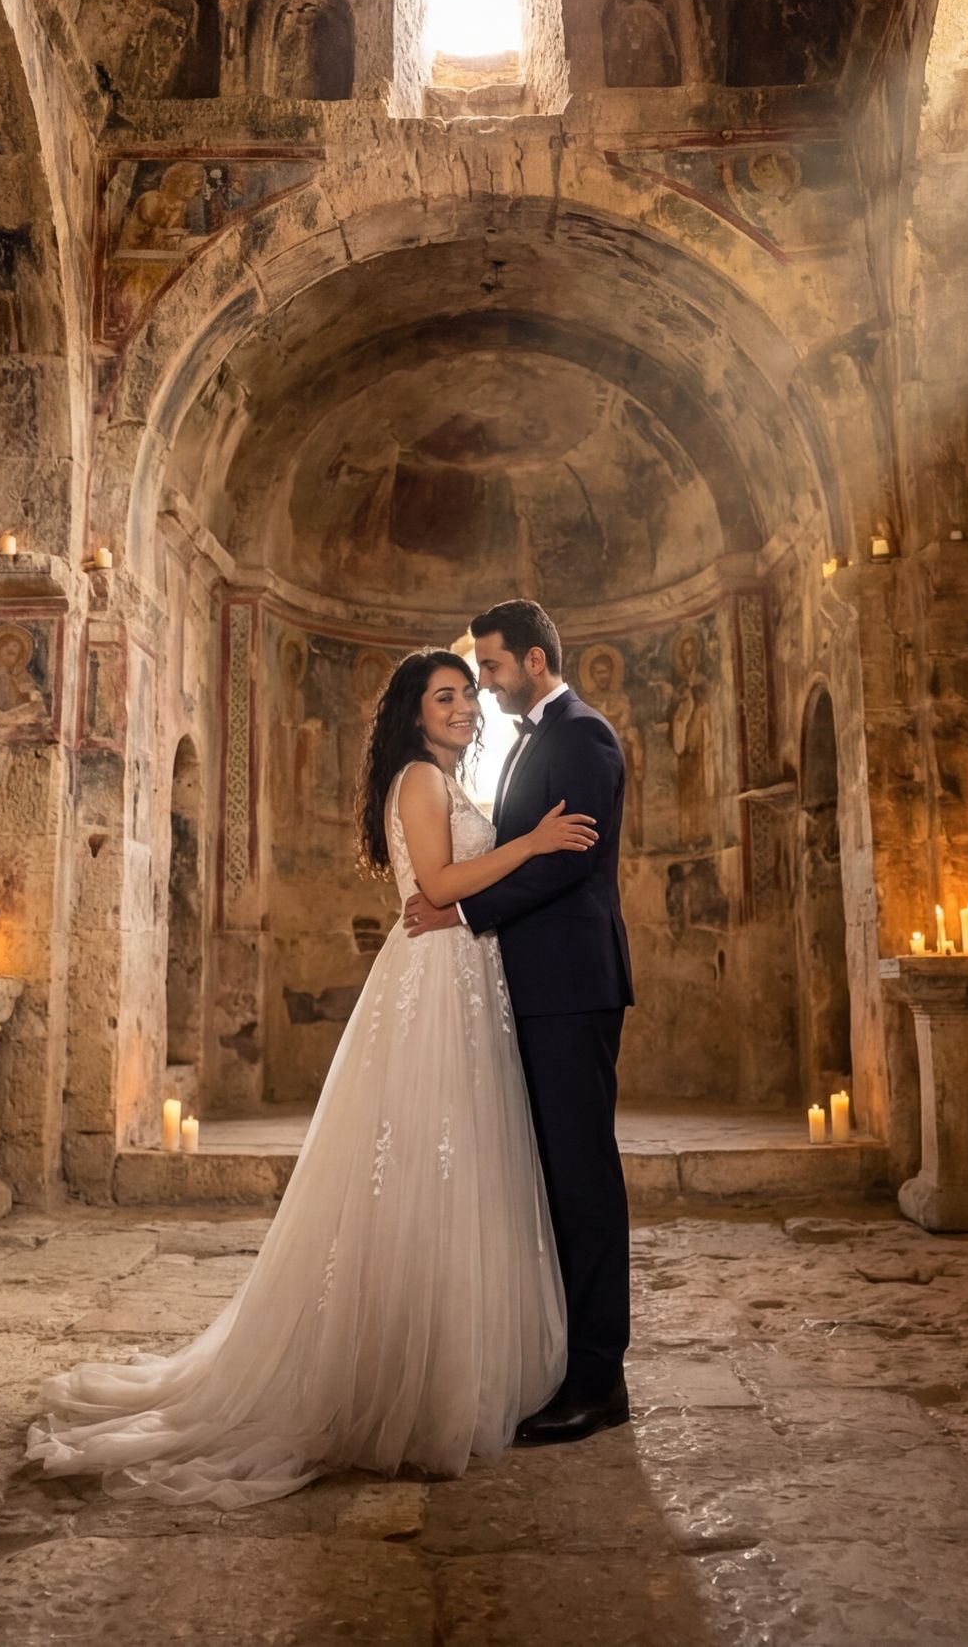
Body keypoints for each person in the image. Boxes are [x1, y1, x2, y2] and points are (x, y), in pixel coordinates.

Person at [27, 649, 596, 1503]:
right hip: (433, 982)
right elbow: (438, 882)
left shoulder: (442, 781)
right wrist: (535, 843)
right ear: (414, 711)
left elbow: (444, 888)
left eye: (469, 697)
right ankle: (401, 1381)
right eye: (446, 697)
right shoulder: (418, 779)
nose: (464, 709)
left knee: (455, 1164)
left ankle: (453, 1361)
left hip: (464, 975)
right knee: (420, 1162)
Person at [406, 598, 634, 1445]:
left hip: (572, 985)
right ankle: (561, 1357)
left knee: (582, 1177)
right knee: (552, 1176)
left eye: (493, 668)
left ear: (535, 661)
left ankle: (598, 1378)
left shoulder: (582, 735)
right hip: (535, 985)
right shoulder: (536, 739)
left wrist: (463, 917)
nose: (484, 685)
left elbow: (566, 860)